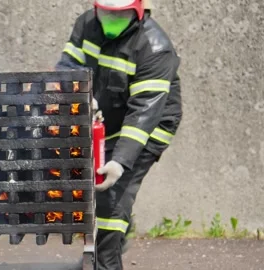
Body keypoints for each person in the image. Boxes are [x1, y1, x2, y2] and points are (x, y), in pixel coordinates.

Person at [55, 0, 182, 269]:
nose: (111, 20)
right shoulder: (87, 23)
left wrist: (120, 161)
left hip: (150, 126)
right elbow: (68, 65)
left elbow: (144, 113)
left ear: (137, 11)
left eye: (120, 14)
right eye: (106, 13)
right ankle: (114, 235)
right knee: (100, 194)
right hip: (108, 120)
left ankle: (107, 262)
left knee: (111, 203)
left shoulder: (155, 48)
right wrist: (80, 95)